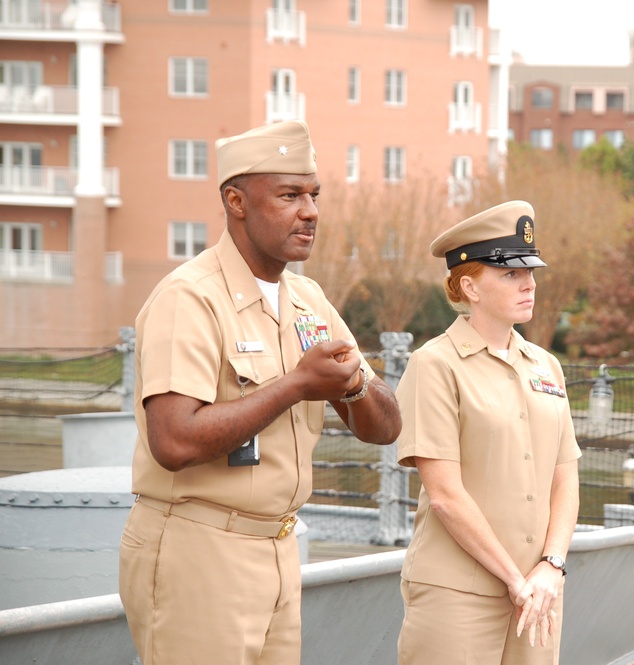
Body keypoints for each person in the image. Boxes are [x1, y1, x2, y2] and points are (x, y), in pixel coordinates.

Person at [118, 119, 402, 665]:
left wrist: (354, 384)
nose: (311, 211)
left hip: (277, 547)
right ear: (236, 201)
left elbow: (385, 427)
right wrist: (297, 385)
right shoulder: (190, 297)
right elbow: (174, 442)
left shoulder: (308, 301)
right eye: (290, 195)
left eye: (315, 195)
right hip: (197, 548)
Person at [395, 201, 581, 665]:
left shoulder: (547, 366)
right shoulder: (434, 365)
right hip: (458, 593)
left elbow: (565, 478)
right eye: (510, 274)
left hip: (537, 592)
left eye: (530, 272)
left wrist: (552, 567)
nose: (529, 283)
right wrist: (517, 581)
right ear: (469, 286)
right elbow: (445, 495)